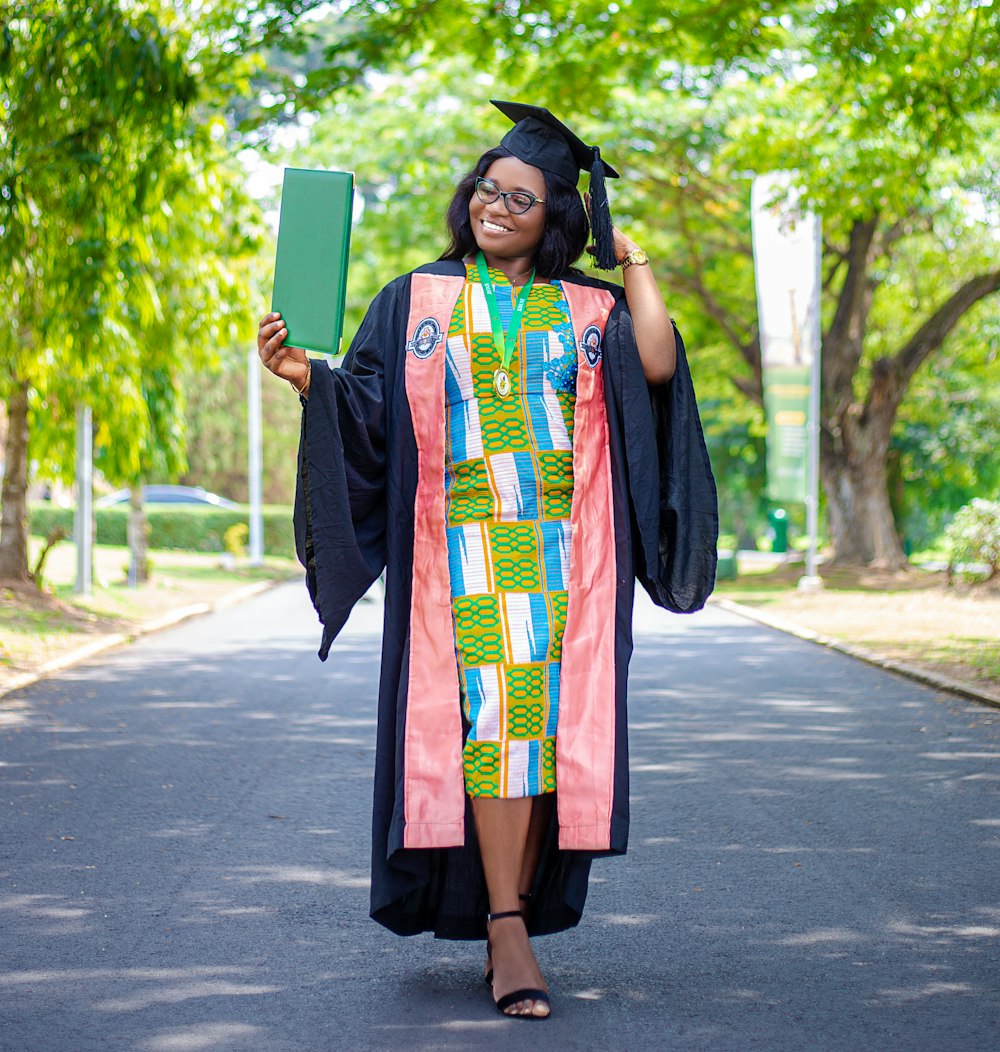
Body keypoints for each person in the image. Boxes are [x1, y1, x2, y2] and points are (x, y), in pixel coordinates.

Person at [257, 100, 718, 1020]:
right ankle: (508, 925)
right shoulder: (415, 298)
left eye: (521, 197)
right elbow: (371, 410)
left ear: (557, 219)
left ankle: (516, 912)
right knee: (496, 726)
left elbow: (657, 370)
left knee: (544, 735)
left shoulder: (591, 308)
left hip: (567, 558)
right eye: (486, 189)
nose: (495, 207)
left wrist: (636, 265)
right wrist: (311, 378)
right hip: (458, 554)